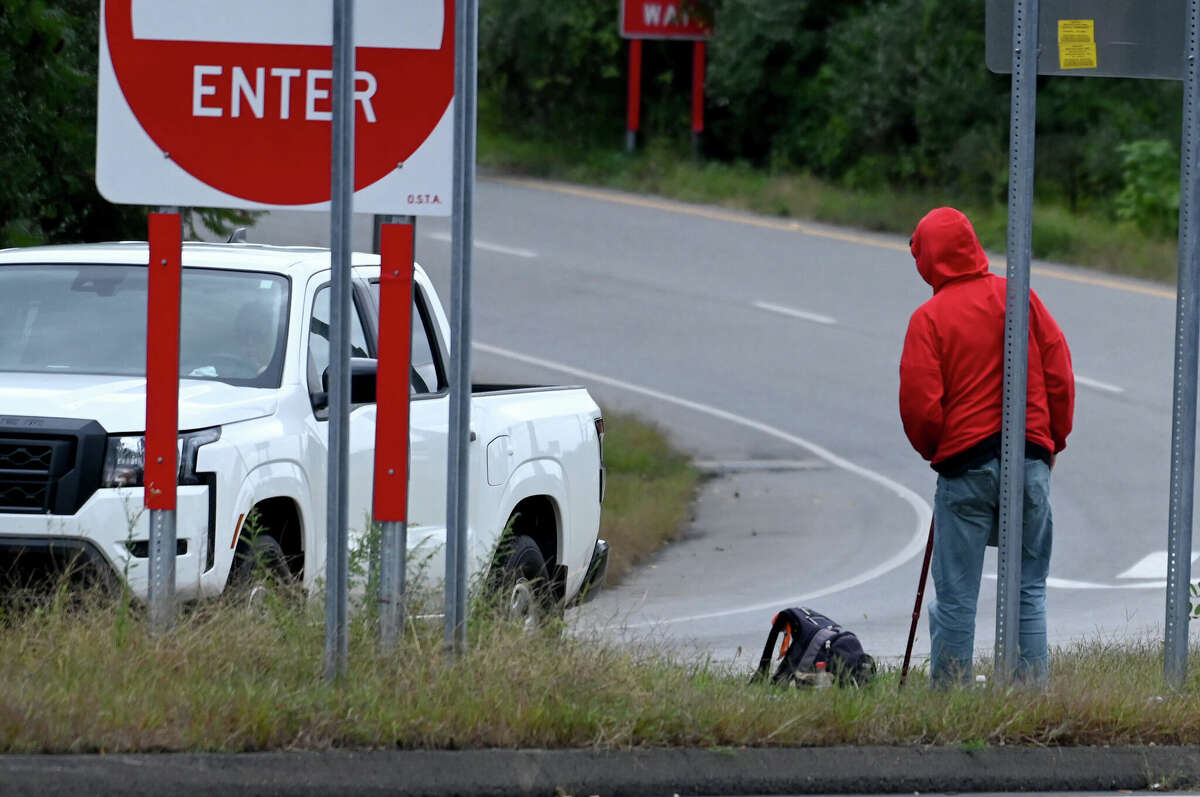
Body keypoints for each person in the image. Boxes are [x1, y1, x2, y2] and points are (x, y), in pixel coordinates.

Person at [898, 207, 1074, 687]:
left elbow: (920, 404)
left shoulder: (929, 318)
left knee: (957, 597)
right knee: (1029, 588)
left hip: (967, 465)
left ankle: (951, 698)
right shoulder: (1020, 298)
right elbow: (1058, 368)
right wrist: (1053, 438)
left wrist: (939, 450)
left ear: (929, 259)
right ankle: (1030, 695)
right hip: (1031, 456)